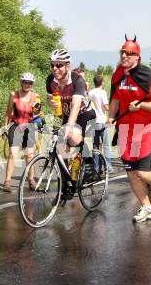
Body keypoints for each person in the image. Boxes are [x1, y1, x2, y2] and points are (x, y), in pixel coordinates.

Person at [107, 36, 151, 223]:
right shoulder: (117, 75)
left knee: (142, 173)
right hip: (125, 130)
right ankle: (146, 207)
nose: (125, 55)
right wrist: (110, 117)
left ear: (138, 57)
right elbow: (115, 100)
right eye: (122, 52)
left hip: (145, 130)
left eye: (129, 53)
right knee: (131, 174)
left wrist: (141, 106)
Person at [46, 49, 96, 199]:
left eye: (59, 65)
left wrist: (69, 126)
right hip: (64, 114)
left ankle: (89, 165)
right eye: (52, 65)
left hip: (84, 113)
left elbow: (75, 105)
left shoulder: (77, 80)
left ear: (68, 66)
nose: (55, 69)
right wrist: (51, 105)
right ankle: (67, 183)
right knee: (59, 147)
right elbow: (49, 100)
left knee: (73, 135)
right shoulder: (50, 80)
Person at [2, 72, 39, 192]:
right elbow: (8, 112)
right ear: (21, 82)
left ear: (32, 84)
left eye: (30, 83)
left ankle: (31, 180)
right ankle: (7, 181)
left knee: (29, 155)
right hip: (16, 126)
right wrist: (4, 127)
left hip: (29, 126)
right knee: (12, 154)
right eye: (25, 82)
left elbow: (37, 115)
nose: (27, 84)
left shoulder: (35, 96)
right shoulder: (14, 95)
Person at [88, 74, 114, 173]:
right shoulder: (102, 92)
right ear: (102, 82)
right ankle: (108, 167)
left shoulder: (90, 93)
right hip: (102, 121)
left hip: (93, 122)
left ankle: (96, 168)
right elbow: (106, 107)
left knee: (95, 146)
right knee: (106, 145)